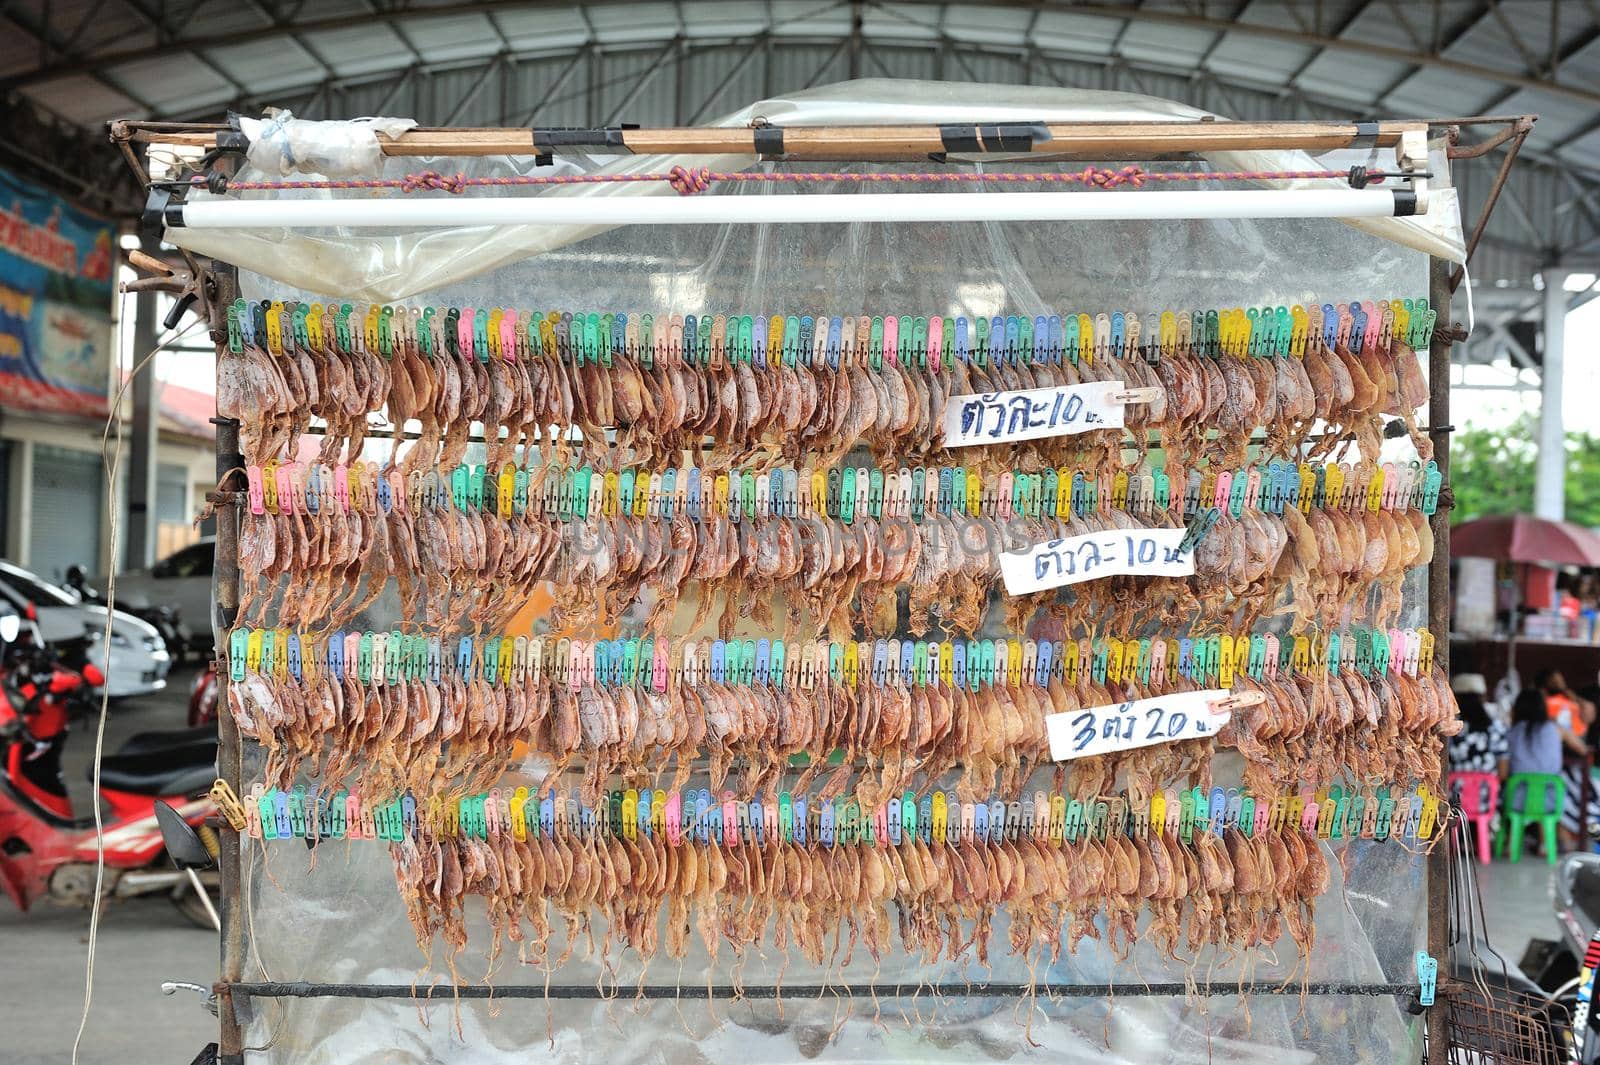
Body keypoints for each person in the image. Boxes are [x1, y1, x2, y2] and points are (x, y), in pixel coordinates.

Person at [1447, 673, 1506, 775]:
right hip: (1486, 789)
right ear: (1483, 697)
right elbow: (1503, 771)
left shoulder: (1448, 726)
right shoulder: (1495, 727)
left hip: (1453, 789)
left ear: (1454, 698)